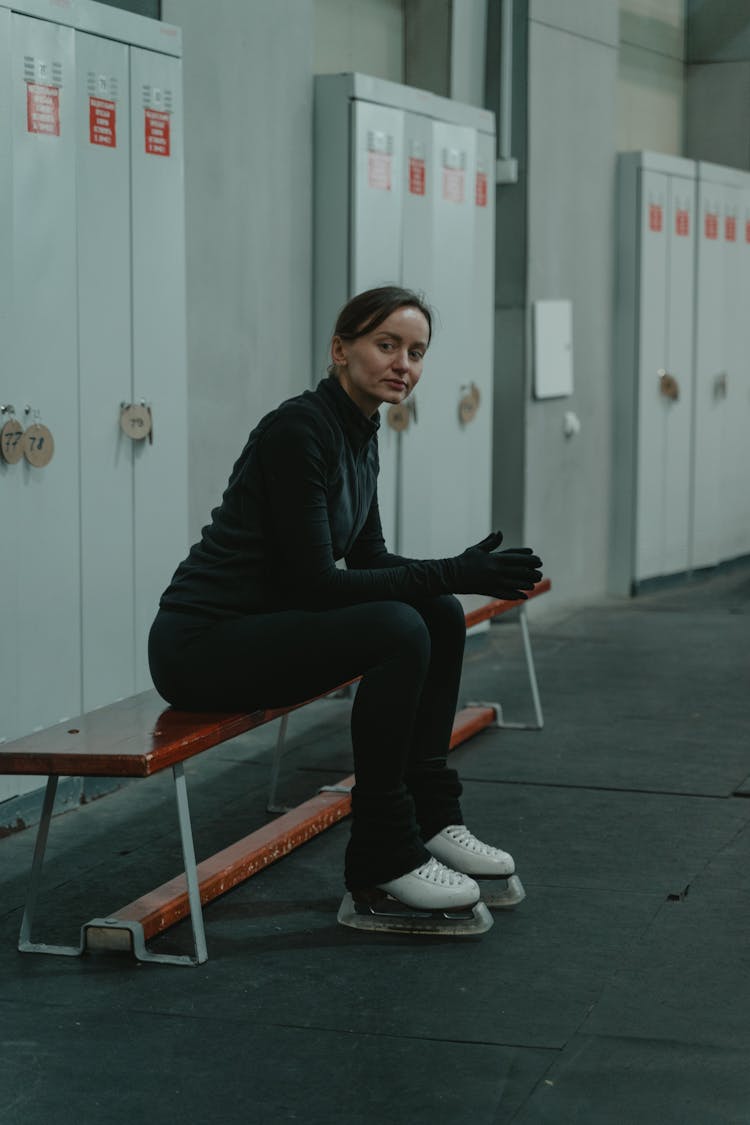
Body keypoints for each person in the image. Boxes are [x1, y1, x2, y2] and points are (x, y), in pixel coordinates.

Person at [148, 286, 542, 936]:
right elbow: (314, 582)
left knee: (437, 611)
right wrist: (461, 570)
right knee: (397, 627)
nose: (403, 364)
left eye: (416, 352)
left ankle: (433, 816)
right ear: (340, 349)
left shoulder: (360, 433)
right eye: (386, 345)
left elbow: (369, 558)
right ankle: (382, 860)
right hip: (202, 643)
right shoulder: (298, 430)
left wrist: (455, 576)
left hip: (262, 631)